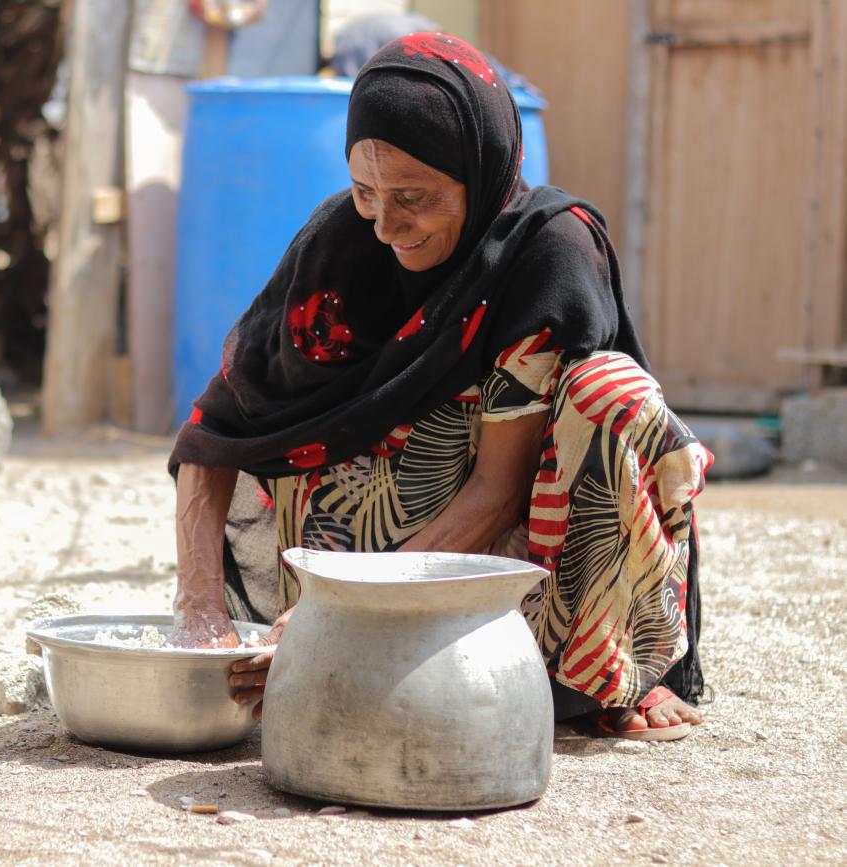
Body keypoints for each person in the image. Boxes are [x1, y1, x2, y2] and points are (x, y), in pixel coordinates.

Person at [168, 33, 710, 740]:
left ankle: (592, 672)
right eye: (367, 192)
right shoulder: (340, 243)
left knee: (610, 392)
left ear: (477, 171)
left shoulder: (547, 253)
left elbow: (498, 490)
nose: (387, 226)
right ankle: (331, 657)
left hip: (500, 582)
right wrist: (200, 603)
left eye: (414, 198)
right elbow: (216, 428)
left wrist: (347, 618)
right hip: (339, 574)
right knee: (291, 423)